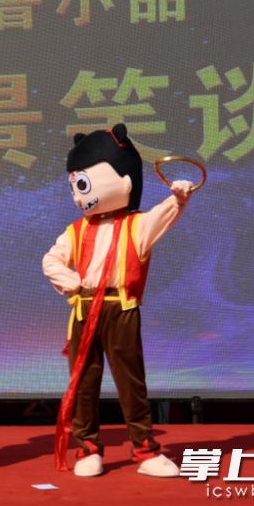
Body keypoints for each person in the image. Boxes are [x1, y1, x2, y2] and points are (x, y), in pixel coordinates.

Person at [42, 123, 194, 477]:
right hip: (84, 310)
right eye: (75, 187)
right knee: (83, 382)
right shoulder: (76, 231)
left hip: (120, 309)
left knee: (131, 383)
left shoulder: (135, 226)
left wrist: (178, 198)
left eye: (84, 185)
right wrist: (69, 280)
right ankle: (88, 449)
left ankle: (145, 451)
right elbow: (51, 260)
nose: (78, 196)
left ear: (125, 181)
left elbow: (161, 217)